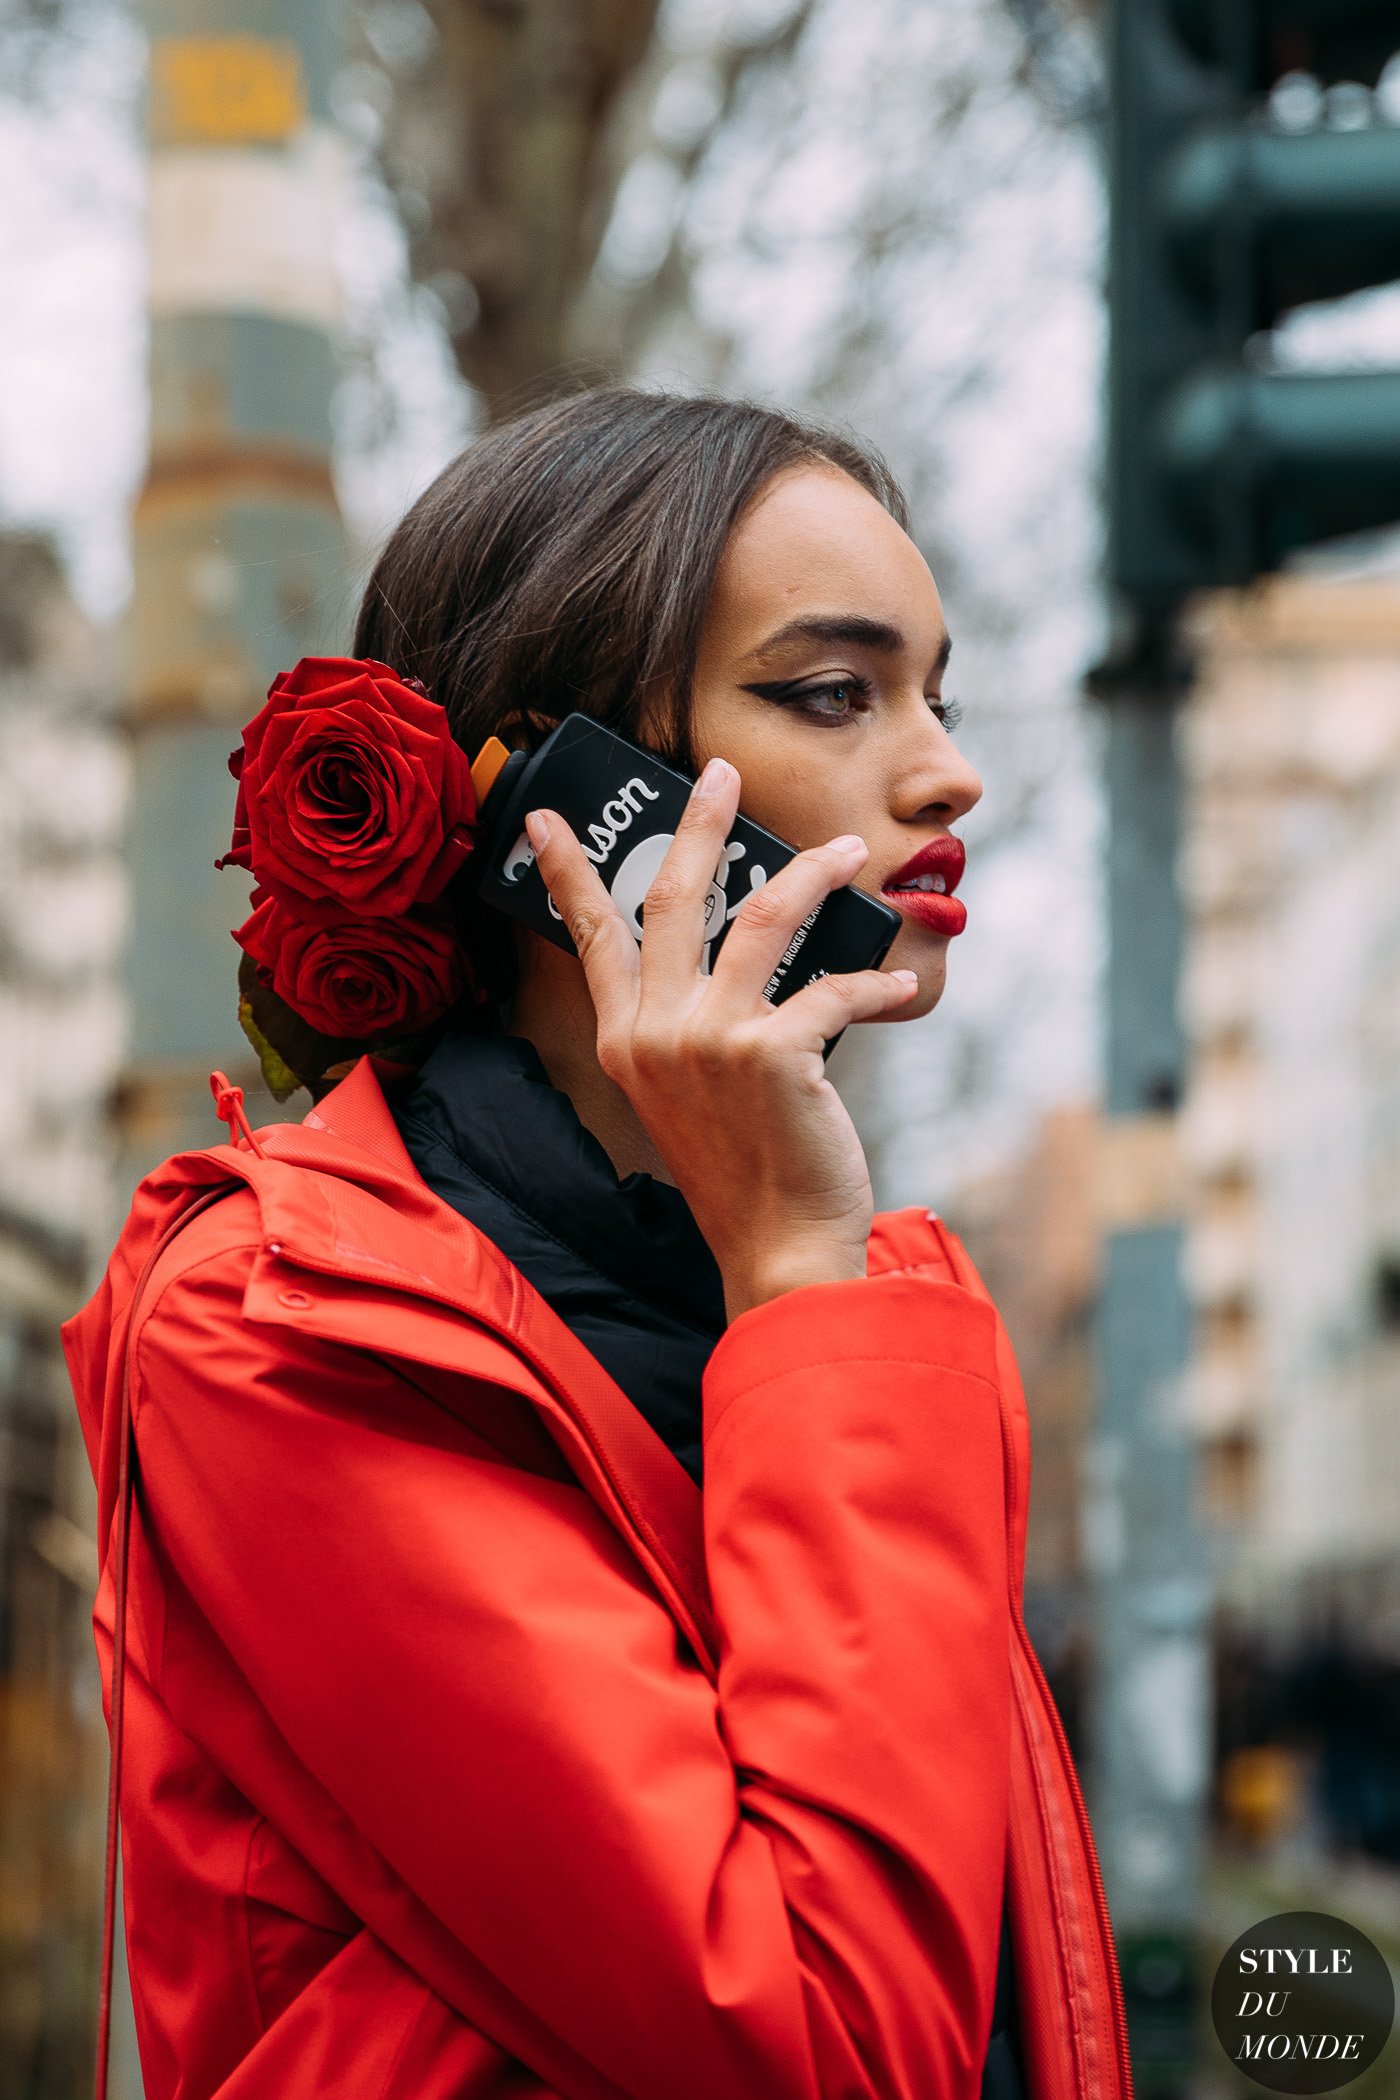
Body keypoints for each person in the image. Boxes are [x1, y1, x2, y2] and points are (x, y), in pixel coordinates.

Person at [64, 390, 1129, 2100]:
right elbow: (833, 2045)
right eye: (835, 691)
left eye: (940, 691)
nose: (950, 768)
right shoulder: (280, 1326)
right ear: (568, 793)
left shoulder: (885, 1303)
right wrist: (792, 1264)